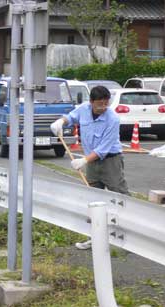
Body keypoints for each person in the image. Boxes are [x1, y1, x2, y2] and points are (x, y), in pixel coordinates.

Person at [50, 85, 129, 250]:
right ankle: (95, 237)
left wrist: (84, 160)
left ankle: (129, 237)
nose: (103, 107)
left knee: (120, 196)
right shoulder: (84, 109)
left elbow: (104, 149)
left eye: (106, 103)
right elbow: (70, 117)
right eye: (99, 104)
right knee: (93, 198)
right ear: (91, 102)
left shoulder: (112, 118)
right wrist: (61, 122)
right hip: (91, 163)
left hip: (110, 161)